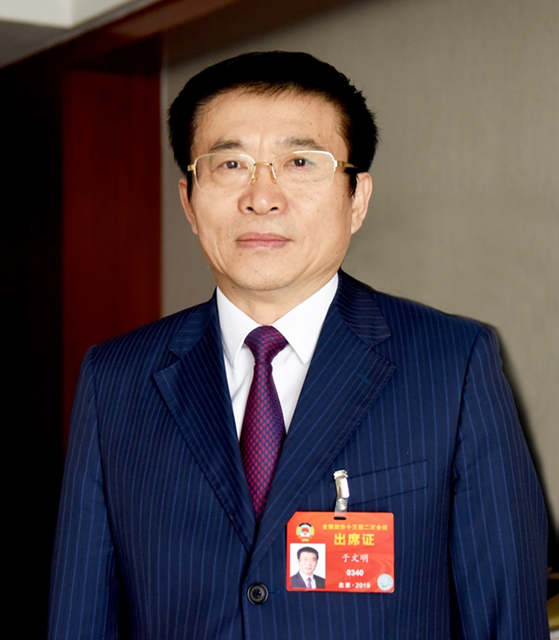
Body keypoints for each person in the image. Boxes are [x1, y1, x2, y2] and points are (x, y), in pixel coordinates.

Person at [48, 51, 549, 639]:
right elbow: (80, 616)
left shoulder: (453, 364)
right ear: (188, 200)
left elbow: (505, 619)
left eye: (300, 162)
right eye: (230, 163)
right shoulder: (116, 378)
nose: (262, 197)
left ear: (357, 198)